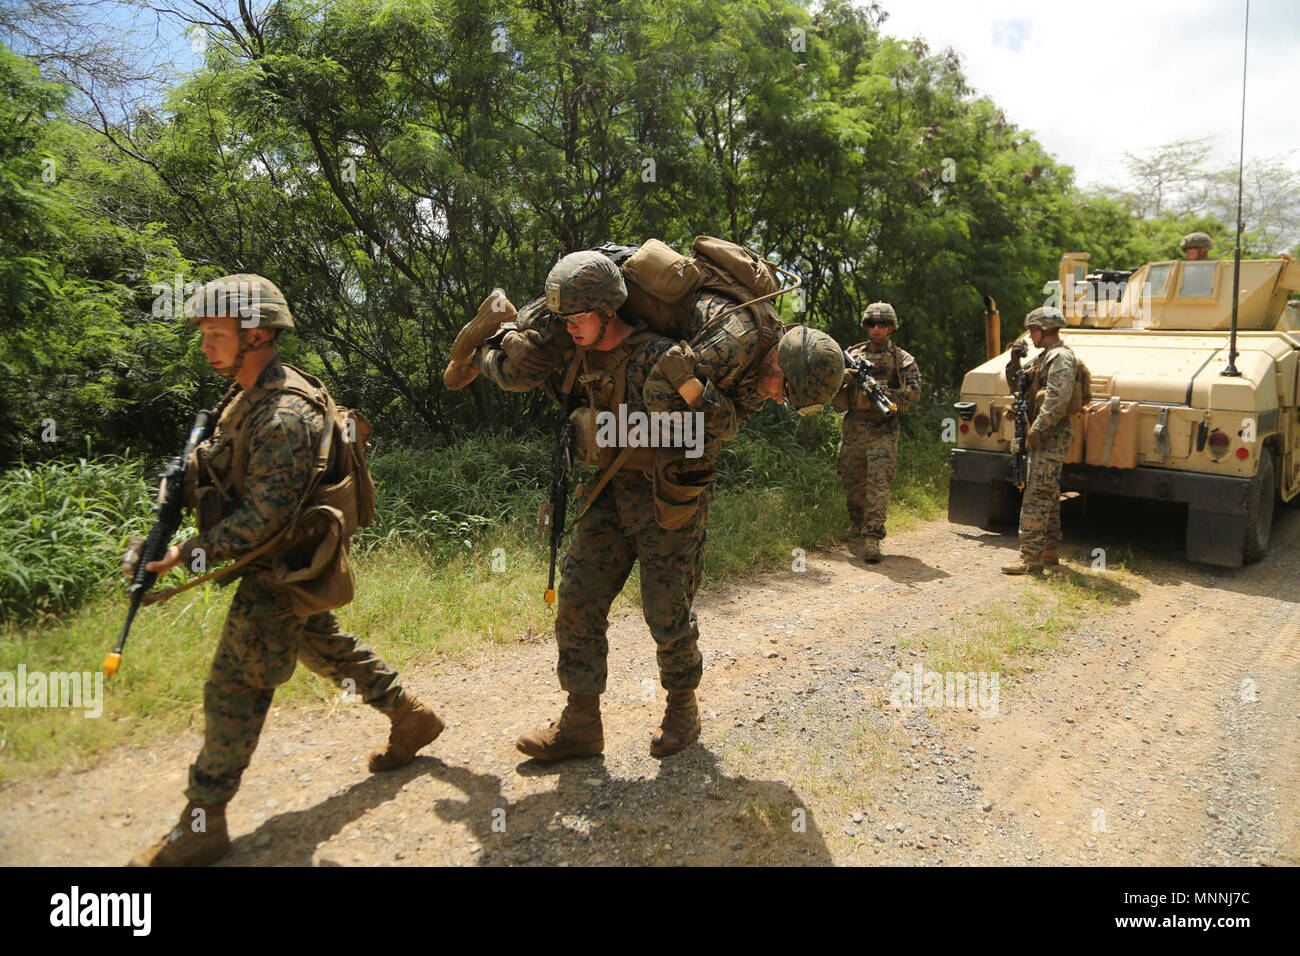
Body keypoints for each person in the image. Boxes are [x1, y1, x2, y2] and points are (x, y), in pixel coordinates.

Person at [465, 252, 843, 760]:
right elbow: (673, 391)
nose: (777, 399)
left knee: (667, 610)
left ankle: (681, 709)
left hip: (673, 494)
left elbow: (708, 418)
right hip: (611, 485)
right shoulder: (733, 343)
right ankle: (581, 722)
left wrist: (684, 398)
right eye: (784, 390)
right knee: (577, 596)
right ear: (781, 362)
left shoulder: (751, 376)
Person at [129, 274, 442, 866]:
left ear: (259, 334)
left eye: (216, 333)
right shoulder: (246, 394)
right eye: (203, 333)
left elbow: (263, 520)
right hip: (278, 563)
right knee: (322, 647)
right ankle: (410, 716)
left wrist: (183, 556)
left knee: (233, 689)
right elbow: (226, 472)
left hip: (281, 567)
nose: (205, 345)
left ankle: (203, 822)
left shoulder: (283, 412)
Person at [832, 302, 921, 562]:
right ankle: (857, 523)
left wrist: (880, 390)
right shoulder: (852, 354)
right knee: (852, 480)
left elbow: (914, 394)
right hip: (854, 426)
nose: (876, 328)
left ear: (891, 327)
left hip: (883, 428)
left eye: (882, 324)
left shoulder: (902, 359)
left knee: (878, 483)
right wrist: (845, 378)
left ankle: (873, 537)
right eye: (872, 323)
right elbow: (831, 387)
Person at [1002, 306, 1077, 575]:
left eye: (1032, 330)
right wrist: (1014, 360)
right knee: (1048, 492)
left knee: (1035, 495)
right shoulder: (1044, 357)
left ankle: (1030, 559)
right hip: (1042, 434)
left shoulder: (1061, 358)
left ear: (1045, 330)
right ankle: (1049, 552)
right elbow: (1018, 386)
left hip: (1050, 435)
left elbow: (1057, 400)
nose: (1030, 336)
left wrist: (1037, 432)